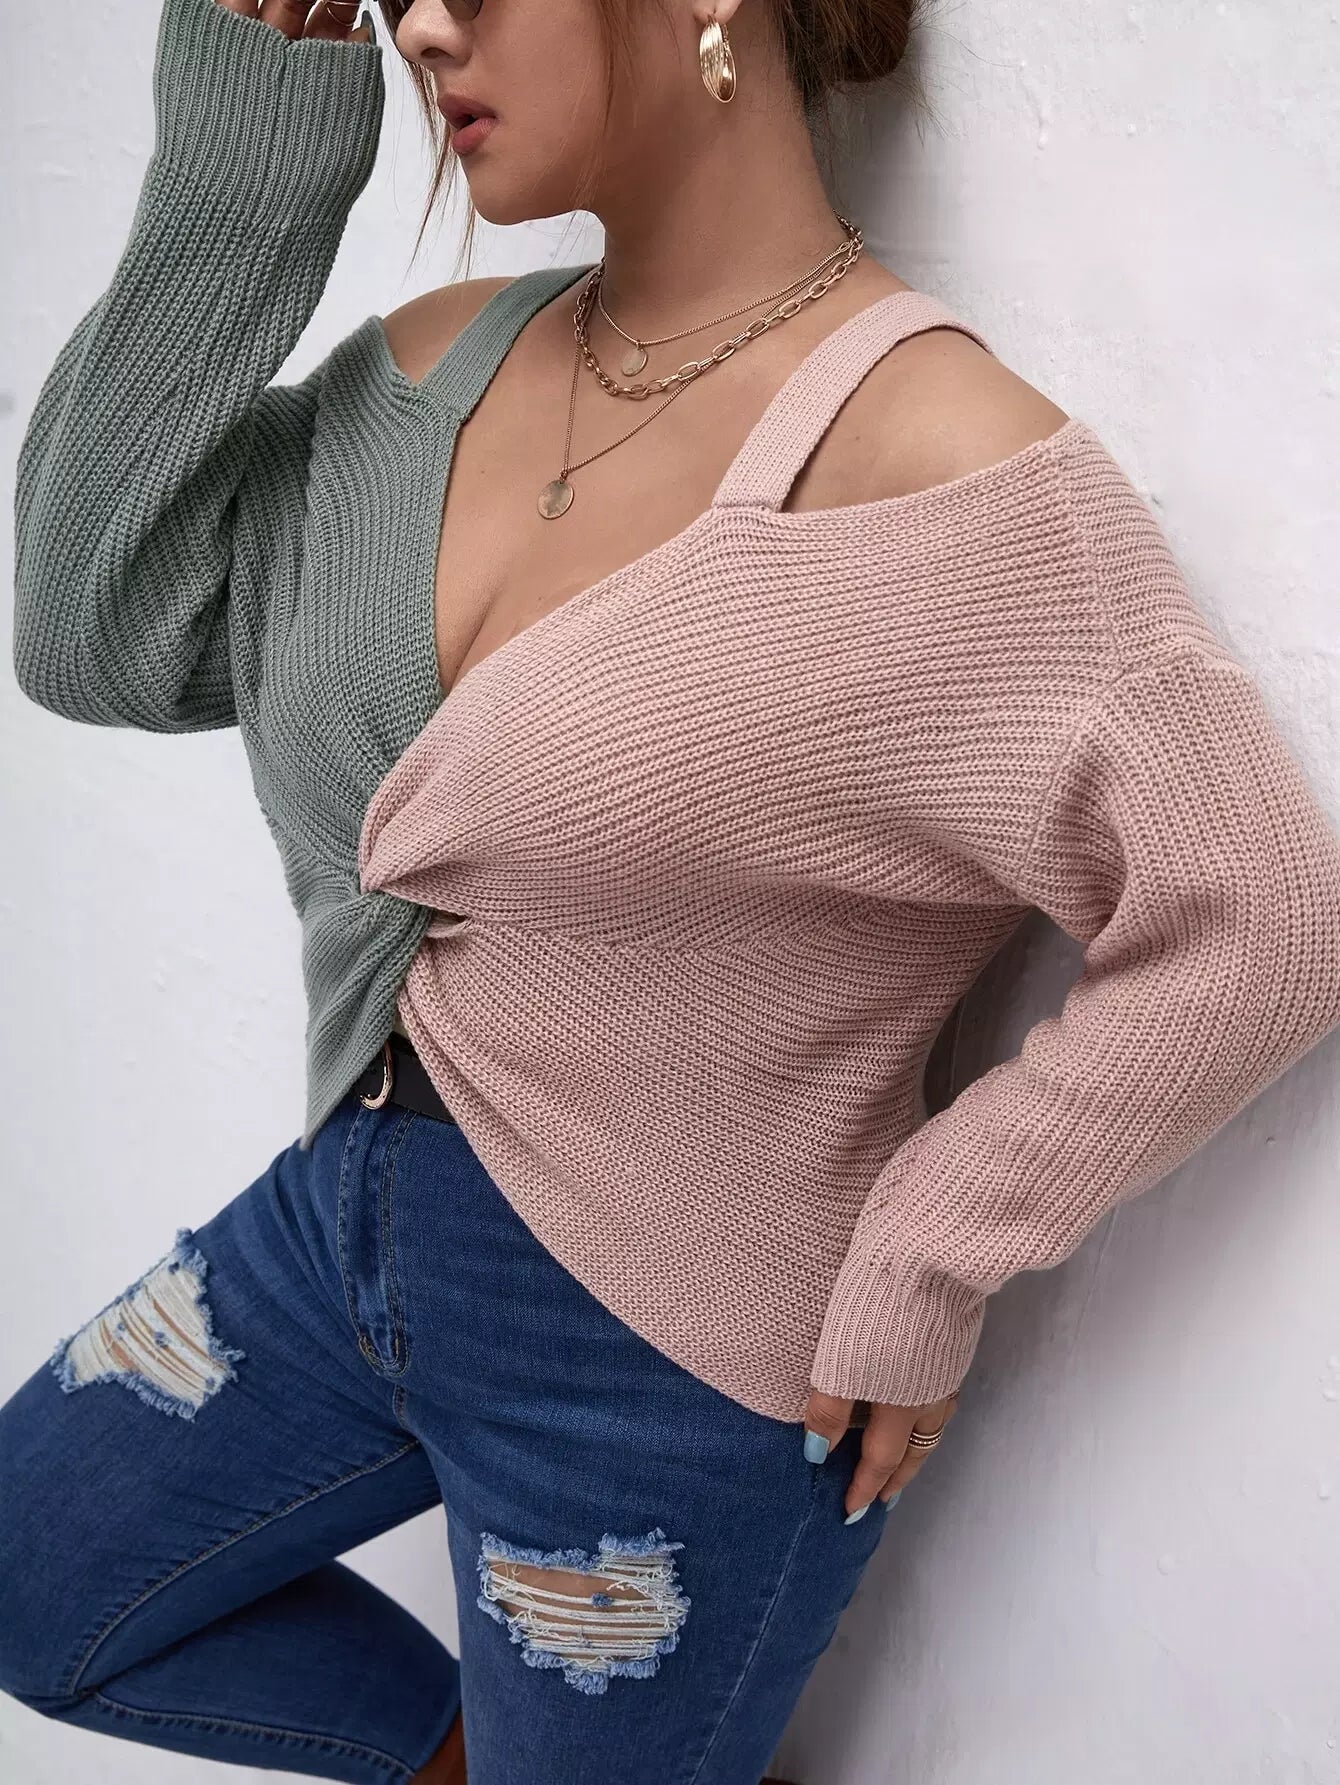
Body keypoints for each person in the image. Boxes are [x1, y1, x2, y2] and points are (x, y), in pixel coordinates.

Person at [4, 0, 1340, 1781]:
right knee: (37, 1567)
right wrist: (250, 172)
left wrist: (931, 1254)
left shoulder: (942, 464)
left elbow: (1262, 917)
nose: (422, 24)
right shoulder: (425, 374)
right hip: (340, 1222)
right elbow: (94, 626)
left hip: (660, 1374)